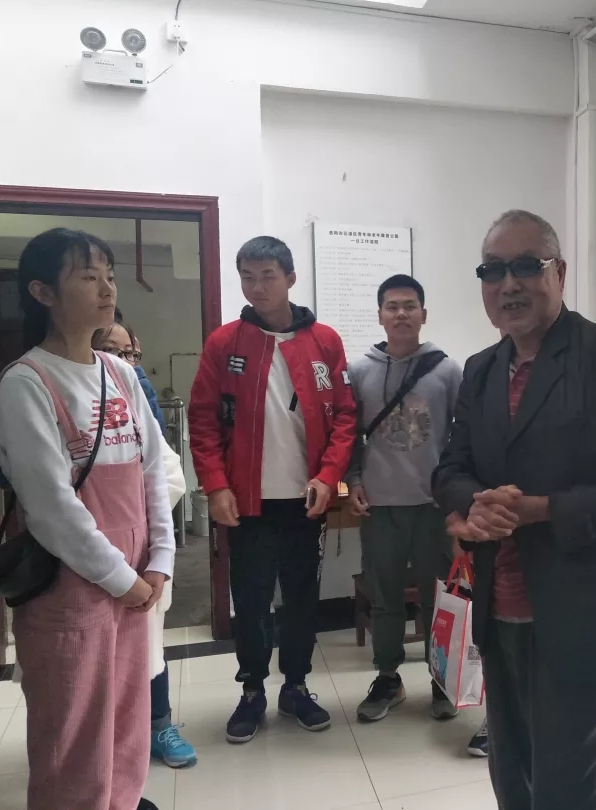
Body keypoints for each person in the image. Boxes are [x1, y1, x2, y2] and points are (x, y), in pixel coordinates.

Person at [432, 210, 596, 810]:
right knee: (515, 781)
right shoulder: (482, 370)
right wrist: (469, 508)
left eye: (526, 266)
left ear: (559, 273)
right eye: (493, 271)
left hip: (585, 616)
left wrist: (543, 510)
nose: (508, 284)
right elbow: (451, 468)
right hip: (501, 612)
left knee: (578, 791)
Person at [0, 228, 174, 810]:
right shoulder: (27, 382)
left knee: (126, 721)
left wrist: (161, 561)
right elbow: (52, 510)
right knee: (72, 735)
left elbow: (153, 471)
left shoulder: (119, 373)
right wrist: (124, 581)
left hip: (137, 579)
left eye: (110, 276)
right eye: (88, 277)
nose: (107, 289)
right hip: (71, 587)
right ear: (43, 292)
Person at [188, 235, 358, 744]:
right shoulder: (225, 343)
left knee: (302, 599)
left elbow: (345, 416)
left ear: (290, 278)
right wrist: (215, 486)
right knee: (252, 600)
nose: (257, 287)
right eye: (247, 277)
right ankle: (252, 690)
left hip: (306, 501)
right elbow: (203, 421)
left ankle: (296, 686)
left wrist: (328, 477)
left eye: (267, 276)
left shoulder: (324, 341)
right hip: (247, 503)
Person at [345, 274, 464, 722]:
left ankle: (441, 678)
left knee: (439, 598)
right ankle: (388, 677)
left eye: (409, 306)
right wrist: (354, 479)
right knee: (385, 597)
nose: (401, 314)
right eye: (392, 306)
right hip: (380, 504)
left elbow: (464, 436)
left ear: (423, 314)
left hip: (434, 506)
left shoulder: (447, 371)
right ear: (380, 315)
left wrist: (457, 493)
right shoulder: (359, 371)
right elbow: (348, 434)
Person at [92, 312, 198, 769]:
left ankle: (159, 725)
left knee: (149, 645)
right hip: (85, 552)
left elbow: (166, 471)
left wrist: (156, 547)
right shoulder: (46, 383)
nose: (124, 361)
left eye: (131, 353)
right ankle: (104, 747)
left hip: (140, 545)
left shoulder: (136, 390)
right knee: (94, 659)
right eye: (112, 350)